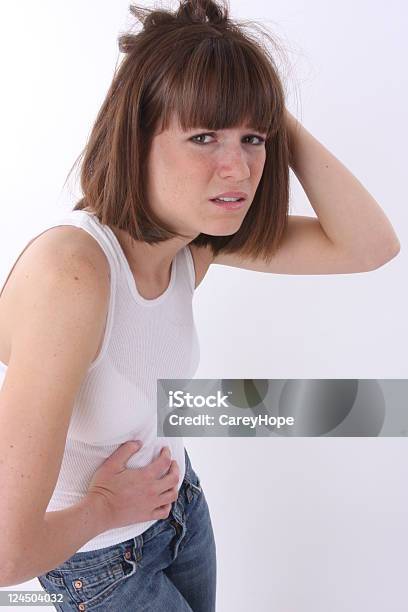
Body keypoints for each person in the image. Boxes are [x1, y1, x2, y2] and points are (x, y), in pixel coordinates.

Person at [0, 0, 400, 610]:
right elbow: (7, 554)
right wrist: (106, 507)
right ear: (133, 140)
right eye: (203, 135)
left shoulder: (192, 247)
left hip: (180, 507)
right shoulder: (73, 274)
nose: (237, 167)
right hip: (99, 559)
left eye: (253, 138)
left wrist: (254, 99)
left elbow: (370, 246)